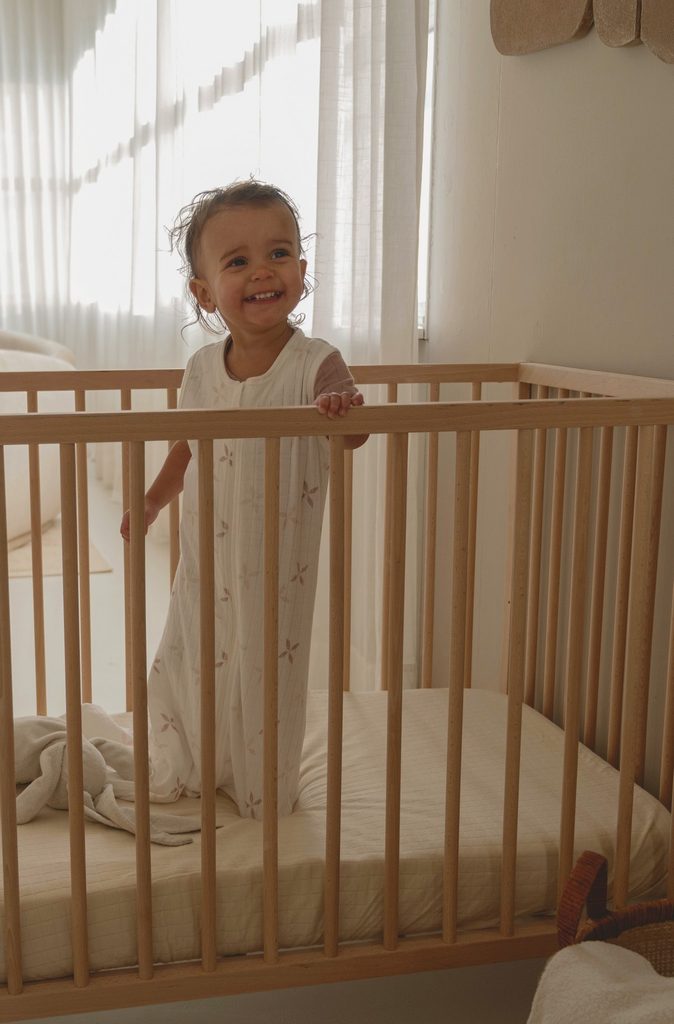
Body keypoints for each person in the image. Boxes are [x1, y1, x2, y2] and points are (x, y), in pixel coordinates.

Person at [120, 180, 367, 819]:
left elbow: (356, 433)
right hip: (206, 555)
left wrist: (341, 409)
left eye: (278, 253)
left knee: (262, 666)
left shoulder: (316, 363)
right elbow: (187, 447)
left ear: (301, 271)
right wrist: (152, 501)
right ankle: (198, 761)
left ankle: (259, 783)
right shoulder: (202, 369)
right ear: (204, 292)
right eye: (238, 261)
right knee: (194, 652)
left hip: (276, 563)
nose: (262, 270)